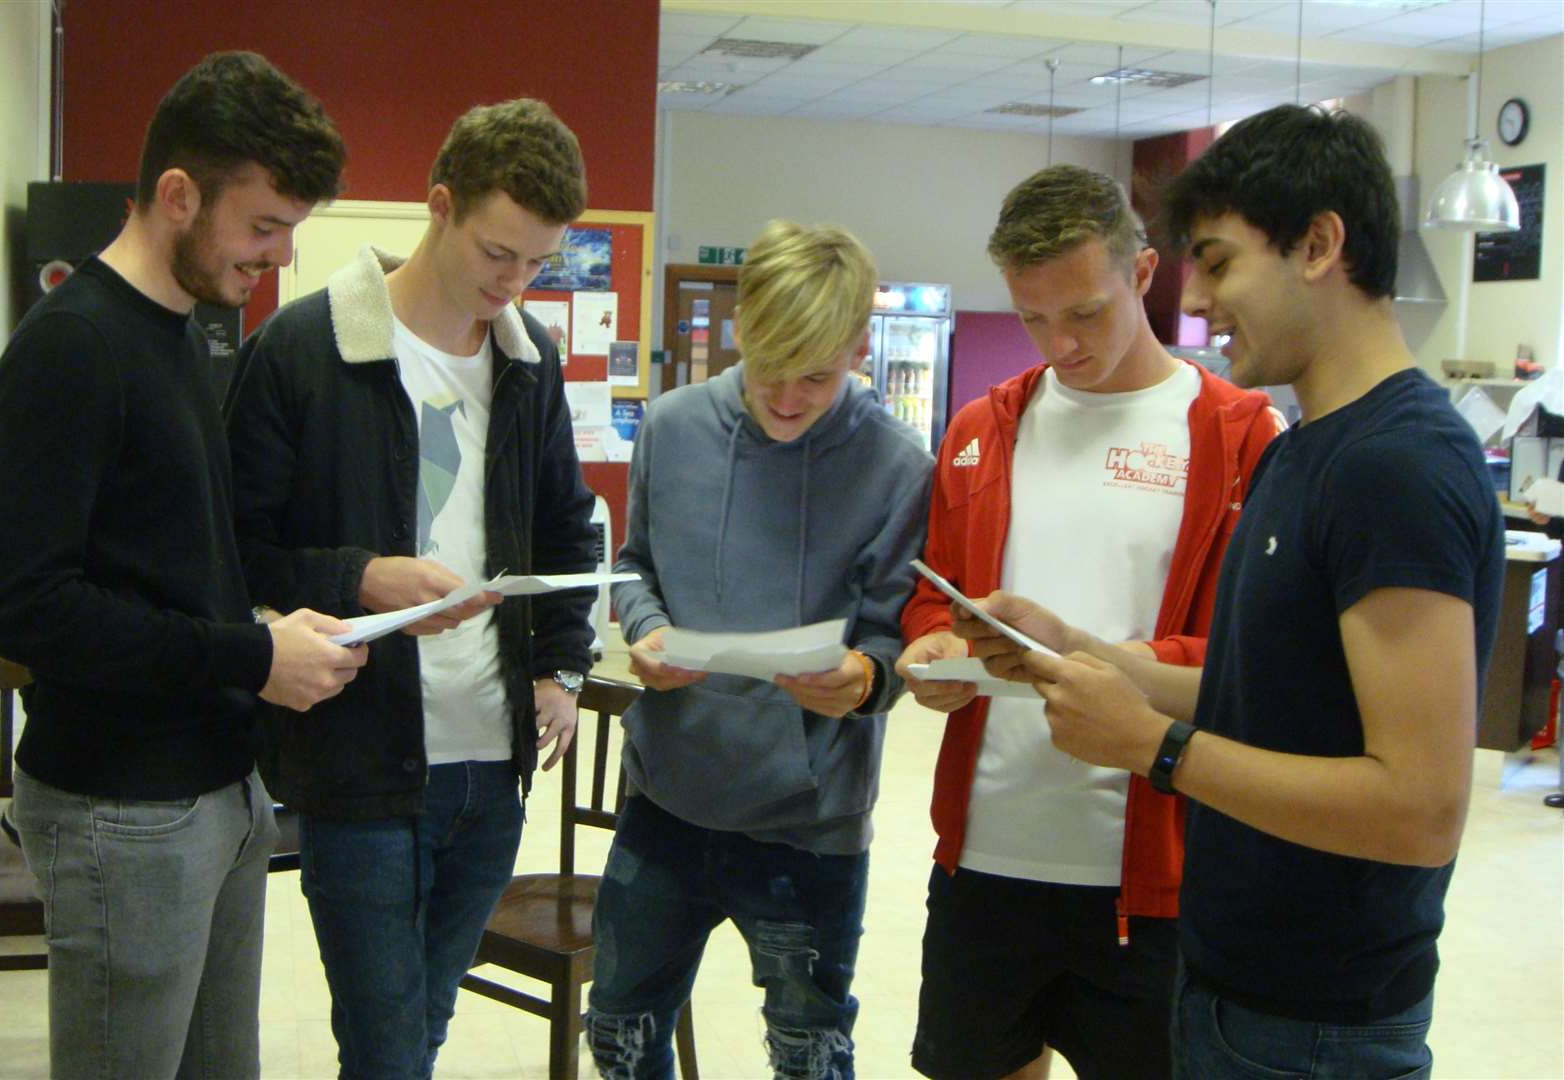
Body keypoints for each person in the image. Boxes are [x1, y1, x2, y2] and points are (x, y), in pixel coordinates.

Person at [958, 104, 1505, 1079]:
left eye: (1217, 262)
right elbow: (1268, 699)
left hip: (1318, 1023)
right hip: (1233, 988)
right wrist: (1074, 646)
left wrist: (1151, 749)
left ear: (1319, 244)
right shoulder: (1307, 452)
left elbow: (1420, 807)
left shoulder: (1397, 467)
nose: (1201, 302)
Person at [0, 51, 358, 1078]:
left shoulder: (185, 335)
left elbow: (184, 564)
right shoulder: (73, 348)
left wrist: (302, 615)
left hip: (218, 794)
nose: (273, 258)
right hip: (121, 813)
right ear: (180, 195)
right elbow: (22, 605)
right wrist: (246, 656)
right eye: (262, 225)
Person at [222, 98, 598, 1079]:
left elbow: (564, 523)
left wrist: (559, 662)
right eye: (497, 254)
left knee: (418, 1030)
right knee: (389, 1048)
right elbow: (234, 552)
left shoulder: (528, 362)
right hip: (361, 763)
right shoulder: (301, 351)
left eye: (537, 263)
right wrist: (361, 576)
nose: (515, 284)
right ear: (439, 207)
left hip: (492, 761)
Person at [893, 163, 1282, 1080]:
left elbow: (1249, 656)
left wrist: (1100, 660)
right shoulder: (985, 427)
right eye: (1033, 317)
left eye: (1085, 312)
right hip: (984, 857)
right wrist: (933, 650)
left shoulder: (1239, 437)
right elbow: (933, 594)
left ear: (1145, 274)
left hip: (1151, 877)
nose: (1059, 343)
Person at [584, 220, 933, 1078]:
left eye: (816, 376)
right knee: (619, 1035)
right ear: (741, 334)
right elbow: (634, 569)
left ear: (859, 347)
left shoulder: (898, 468)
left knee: (808, 1052)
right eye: (768, 370)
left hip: (809, 822)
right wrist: (643, 627)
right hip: (666, 797)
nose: (784, 398)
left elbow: (897, 640)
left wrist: (861, 680)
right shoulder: (670, 426)